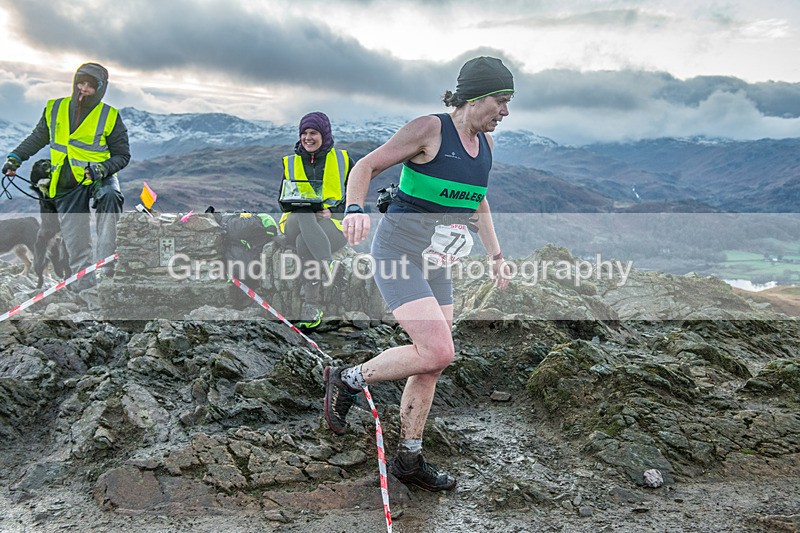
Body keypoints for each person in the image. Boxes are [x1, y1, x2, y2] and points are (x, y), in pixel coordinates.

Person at [323, 56, 514, 491]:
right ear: (477, 96)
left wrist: (496, 255)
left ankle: (409, 458)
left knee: (431, 362)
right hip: (397, 253)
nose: (505, 111)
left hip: (436, 262)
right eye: (501, 101)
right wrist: (355, 209)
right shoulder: (429, 129)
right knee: (438, 351)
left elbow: (478, 201)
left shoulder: (485, 146)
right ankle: (347, 378)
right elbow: (364, 167)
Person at [2, 62, 129, 292]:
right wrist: (15, 158)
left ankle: (108, 267)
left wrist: (102, 169)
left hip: (99, 175)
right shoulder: (55, 108)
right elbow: (37, 137)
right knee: (75, 239)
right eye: (81, 82)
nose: (84, 88)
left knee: (110, 197)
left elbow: (122, 155)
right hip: (67, 182)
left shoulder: (110, 116)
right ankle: (84, 288)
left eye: (91, 86)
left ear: (100, 89)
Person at [278, 111, 353, 328]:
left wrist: (334, 211)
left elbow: (356, 198)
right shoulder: (290, 162)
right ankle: (327, 263)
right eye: (304, 133)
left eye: (313, 133)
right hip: (295, 222)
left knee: (304, 242)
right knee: (303, 212)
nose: (308, 137)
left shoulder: (343, 160)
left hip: (331, 224)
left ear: (325, 134)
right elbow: (281, 201)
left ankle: (311, 306)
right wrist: (300, 204)